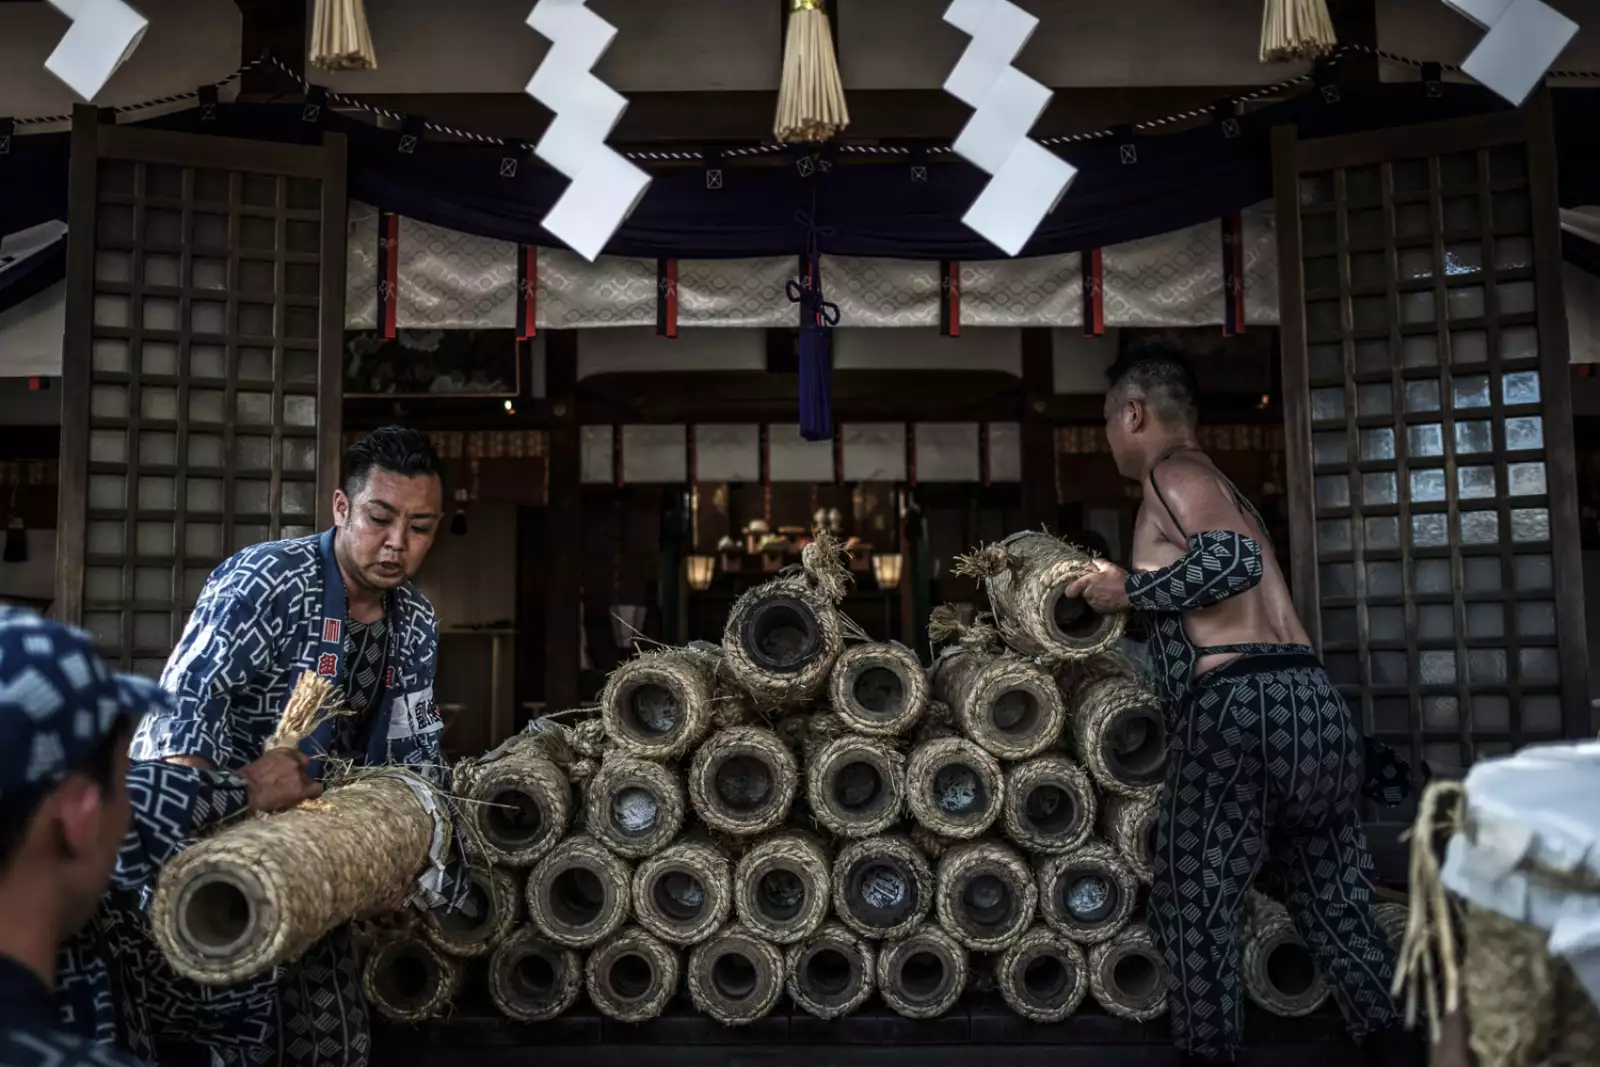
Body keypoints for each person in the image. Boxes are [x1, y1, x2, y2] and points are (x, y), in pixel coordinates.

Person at [1063, 348, 1423, 1067]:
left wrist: (1122, 590)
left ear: (1133, 413)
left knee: (1195, 900)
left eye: (1107, 419)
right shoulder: (1219, 484)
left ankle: (1212, 1055)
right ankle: (1396, 1050)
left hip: (1241, 704)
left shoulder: (1176, 472)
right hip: (1309, 705)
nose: (1107, 436)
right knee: (1334, 902)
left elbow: (1231, 562)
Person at [124, 426, 461, 1067]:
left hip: (317, 858)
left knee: (326, 1041)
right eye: (380, 518)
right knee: (217, 1034)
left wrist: (402, 854)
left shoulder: (414, 619)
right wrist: (220, 811)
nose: (397, 544)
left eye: (420, 527)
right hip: (215, 851)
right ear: (341, 508)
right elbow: (184, 708)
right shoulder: (265, 580)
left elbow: (412, 752)